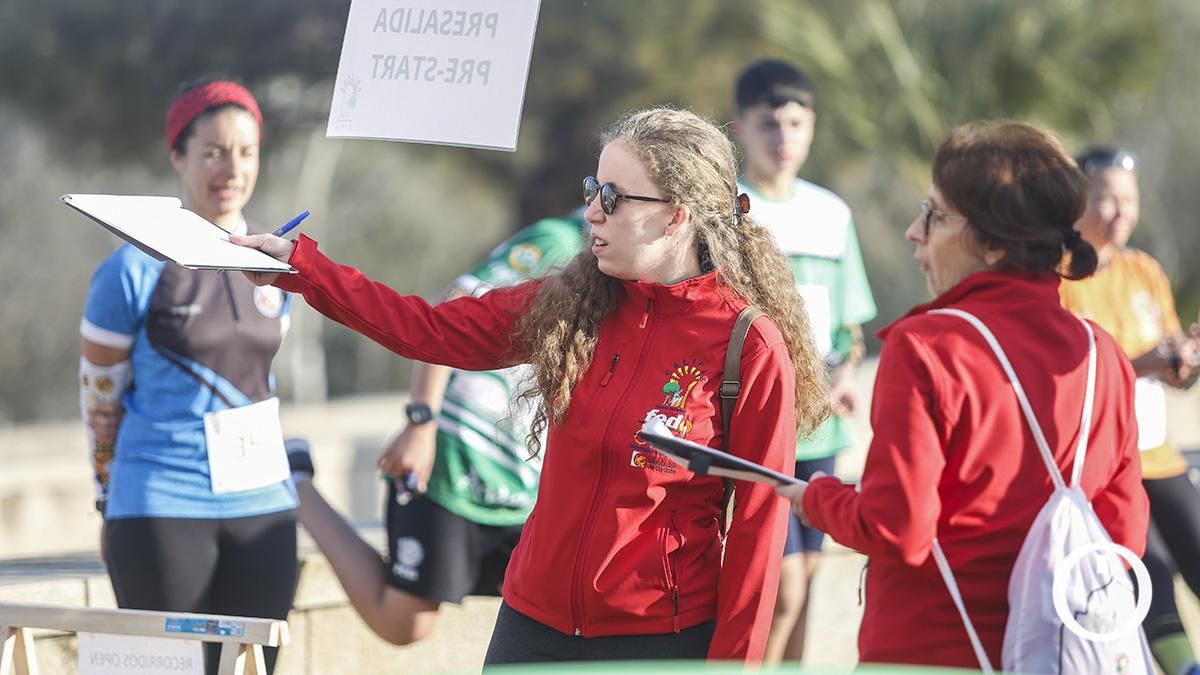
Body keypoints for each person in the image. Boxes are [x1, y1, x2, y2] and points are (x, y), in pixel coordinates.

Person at [235, 106, 830, 664]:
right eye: (592, 190)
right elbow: (427, 329)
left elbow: (758, 535)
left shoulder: (748, 348)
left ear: (677, 217)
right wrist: (301, 267)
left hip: (658, 643)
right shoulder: (573, 305)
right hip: (531, 629)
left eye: (615, 198)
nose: (593, 211)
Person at [776, 121, 1150, 669]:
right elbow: (1123, 537)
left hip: (931, 648)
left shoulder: (926, 346)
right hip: (1059, 653)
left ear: (994, 243)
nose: (913, 231)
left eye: (934, 214)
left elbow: (897, 529)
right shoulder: (1102, 355)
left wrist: (817, 498)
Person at [284, 213, 586, 645]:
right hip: (453, 461)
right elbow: (455, 302)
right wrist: (421, 422)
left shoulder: (642, 272)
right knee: (404, 621)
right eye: (599, 191)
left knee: (545, 612)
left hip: (522, 480)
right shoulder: (560, 239)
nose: (600, 206)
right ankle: (296, 485)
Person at [79, 79, 296, 675]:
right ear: (177, 155)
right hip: (160, 501)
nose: (231, 168)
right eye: (212, 152)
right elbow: (99, 396)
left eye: (246, 152)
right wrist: (105, 497)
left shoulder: (275, 266)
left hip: (264, 500)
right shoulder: (129, 268)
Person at [731, 58, 877, 664]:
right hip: (757, 422)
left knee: (809, 577)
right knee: (779, 585)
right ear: (740, 126)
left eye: (795, 122)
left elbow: (851, 328)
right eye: (768, 123)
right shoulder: (727, 212)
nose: (783, 138)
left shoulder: (833, 213)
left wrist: (843, 379)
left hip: (823, 428)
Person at [1060, 147, 1200, 675]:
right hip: (1102, 466)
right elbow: (1069, 373)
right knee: (1149, 577)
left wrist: (1183, 362)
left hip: (1159, 454)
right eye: (1106, 200)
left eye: (1129, 200)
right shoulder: (1059, 274)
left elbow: (1168, 370)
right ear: (1077, 201)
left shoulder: (1144, 270)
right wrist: (1141, 361)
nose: (1120, 213)